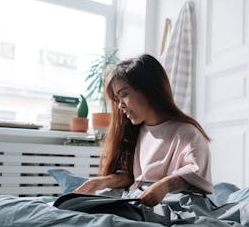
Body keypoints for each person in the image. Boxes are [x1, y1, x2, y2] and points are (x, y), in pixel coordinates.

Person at [74, 54, 212, 207]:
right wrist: (102, 182)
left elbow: (196, 174)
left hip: (170, 201)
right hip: (135, 196)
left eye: (124, 94)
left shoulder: (187, 133)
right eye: (117, 100)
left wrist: (164, 186)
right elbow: (133, 177)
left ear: (149, 90)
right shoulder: (136, 132)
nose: (120, 106)